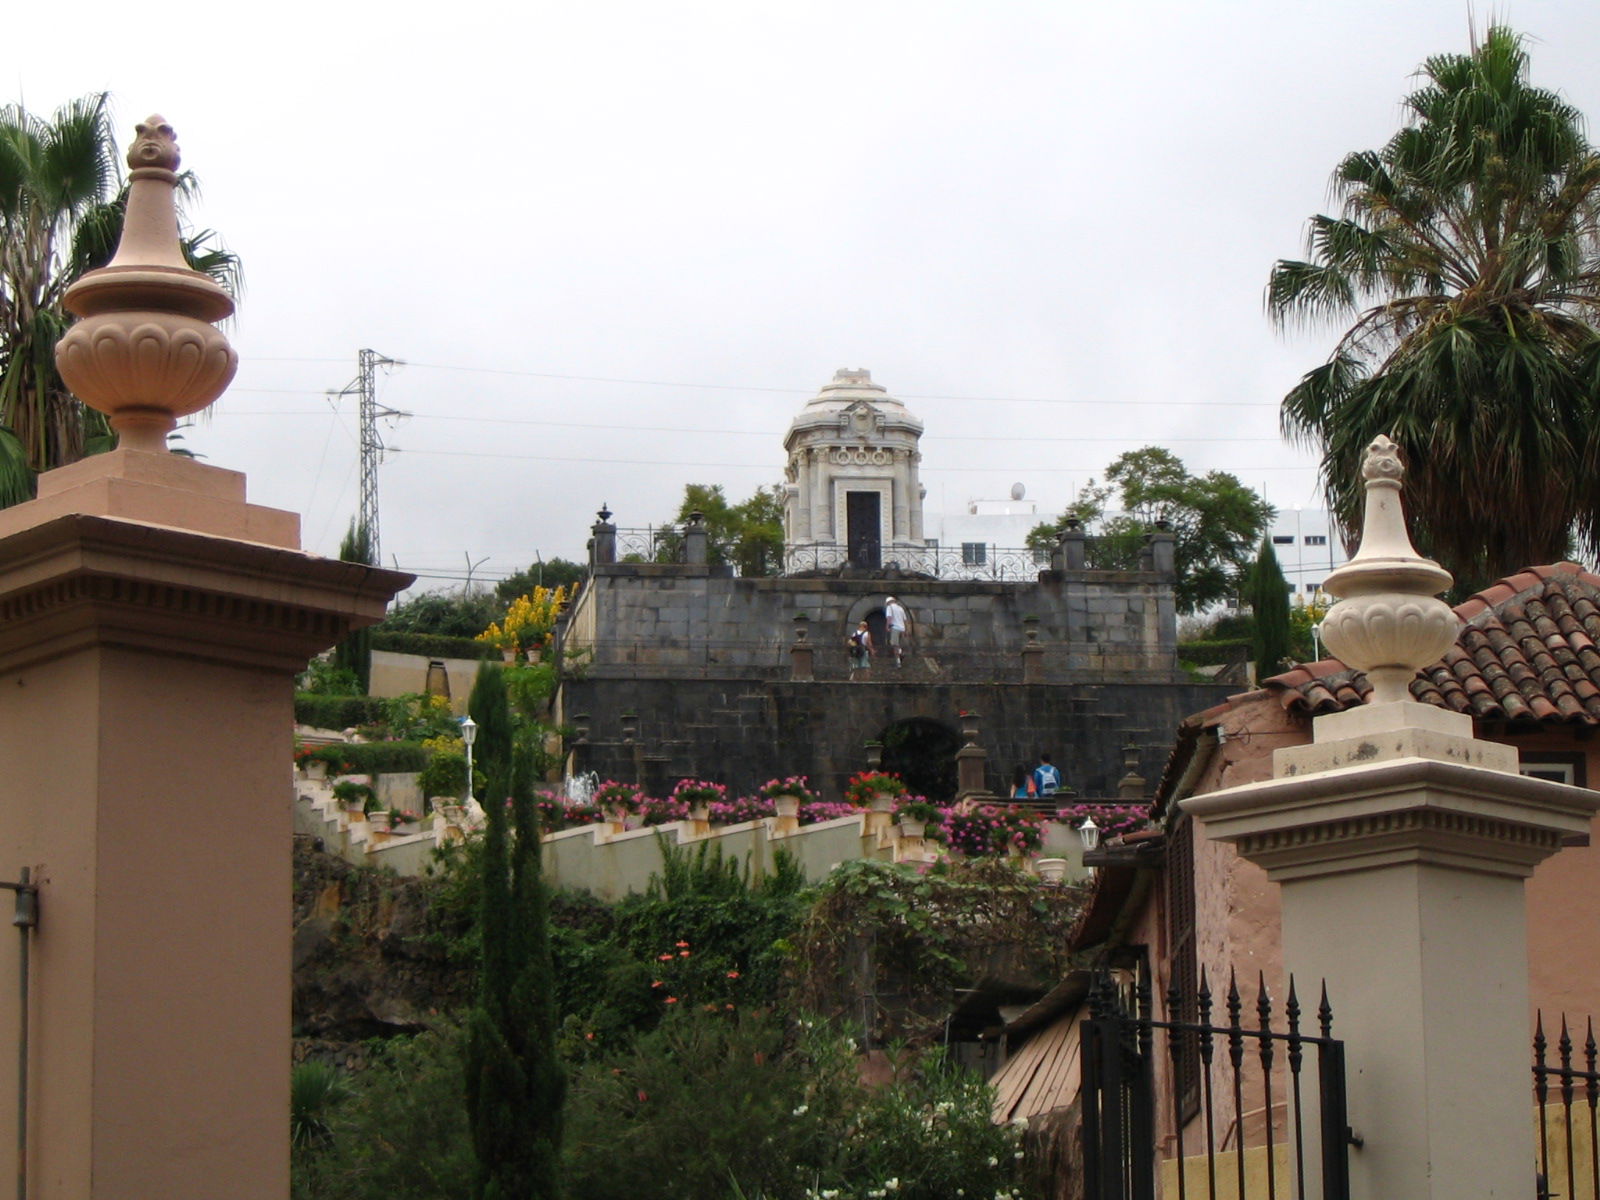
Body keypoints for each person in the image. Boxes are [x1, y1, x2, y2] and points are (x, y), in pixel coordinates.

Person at [884, 595, 909, 667]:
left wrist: (887, 626)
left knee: (894, 645)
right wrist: (906, 630)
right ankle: (901, 652)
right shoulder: (901, 608)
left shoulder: (890, 607)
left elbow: (889, 617)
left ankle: (898, 662)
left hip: (895, 628)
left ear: (888, 602)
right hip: (902, 628)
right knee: (899, 644)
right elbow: (905, 620)